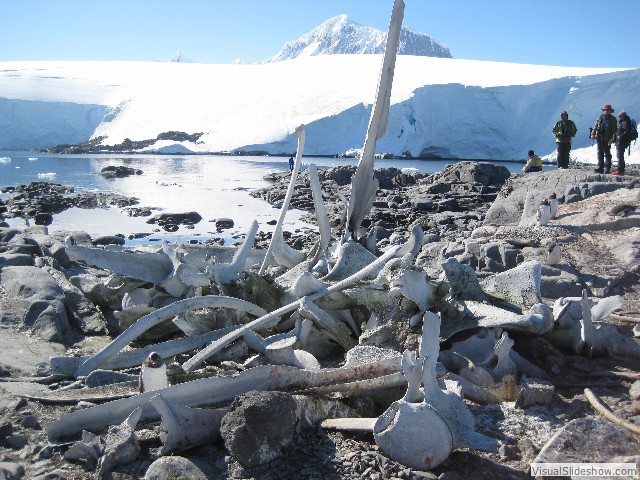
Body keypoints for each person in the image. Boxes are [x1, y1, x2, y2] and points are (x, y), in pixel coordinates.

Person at [590, 104, 617, 173]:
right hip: (599, 137)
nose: (606, 111)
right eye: (605, 110)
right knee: (600, 153)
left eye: (607, 110)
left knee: (607, 153)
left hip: (607, 138)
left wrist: (611, 139)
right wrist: (593, 133)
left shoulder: (613, 119)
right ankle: (600, 167)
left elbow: (614, 130)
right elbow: (596, 126)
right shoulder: (601, 117)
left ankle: (607, 168)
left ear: (610, 111)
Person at [612, 110, 633, 175]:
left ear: (623, 116)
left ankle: (620, 171)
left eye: (620, 116)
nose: (619, 117)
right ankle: (621, 170)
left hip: (622, 141)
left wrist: (620, 137)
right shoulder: (624, 122)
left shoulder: (625, 122)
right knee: (620, 155)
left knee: (620, 155)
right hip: (621, 141)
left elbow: (626, 131)